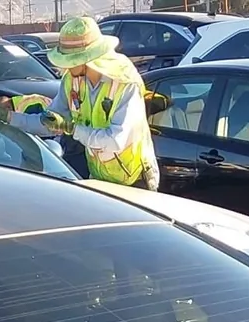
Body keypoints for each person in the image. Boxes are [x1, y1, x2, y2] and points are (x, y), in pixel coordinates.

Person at [38, 15, 159, 191]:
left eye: (70, 61)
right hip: (99, 177)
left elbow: (115, 141)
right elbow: (50, 120)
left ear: (87, 58)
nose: (66, 68)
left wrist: (72, 128)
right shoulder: (73, 81)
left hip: (135, 180)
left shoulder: (125, 83)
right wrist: (9, 118)